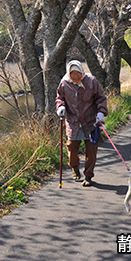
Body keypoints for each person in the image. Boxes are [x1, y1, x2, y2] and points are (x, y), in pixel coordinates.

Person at [56, 59, 108, 187]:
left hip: (90, 121)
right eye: (72, 73)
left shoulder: (91, 81)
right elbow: (59, 98)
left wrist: (101, 112)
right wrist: (60, 107)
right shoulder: (64, 83)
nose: (75, 76)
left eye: (78, 73)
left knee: (91, 151)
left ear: (82, 71)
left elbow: (101, 98)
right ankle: (75, 168)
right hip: (73, 122)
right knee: (72, 148)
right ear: (69, 73)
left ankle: (88, 176)